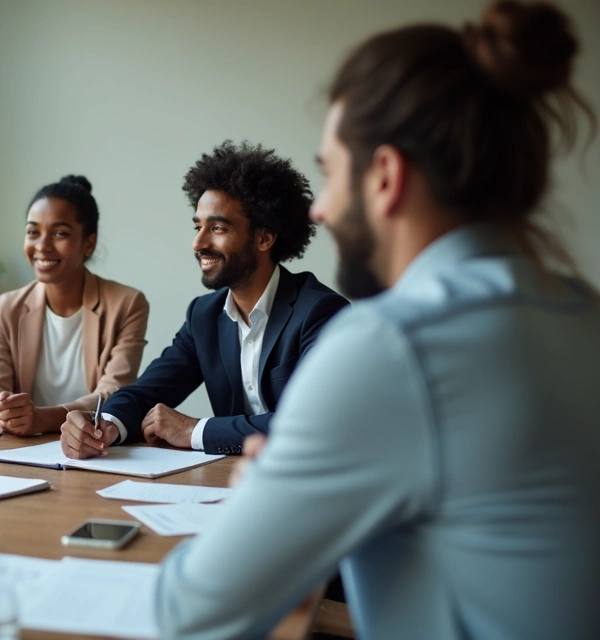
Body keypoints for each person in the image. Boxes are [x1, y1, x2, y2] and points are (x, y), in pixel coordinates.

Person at [157, 2, 600, 638]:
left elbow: (190, 614)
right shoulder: (583, 312)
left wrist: (263, 495)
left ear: (386, 177)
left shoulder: (394, 345)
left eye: (333, 173)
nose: (322, 211)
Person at [60, 141, 348, 458]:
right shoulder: (204, 316)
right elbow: (147, 390)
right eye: (198, 226)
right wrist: (105, 425)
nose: (198, 243)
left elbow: (313, 423)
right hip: (229, 482)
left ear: (264, 238)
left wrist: (194, 430)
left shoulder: (320, 312)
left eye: (218, 228)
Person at [0, 175, 149, 434]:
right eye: (33, 232)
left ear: (88, 244)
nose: (42, 246)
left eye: (59, 233)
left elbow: (112, 392)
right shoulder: (6, 308)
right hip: (19, 450)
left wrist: (43, 419)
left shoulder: (127, 304)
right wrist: (3, 415)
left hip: (93, 446)